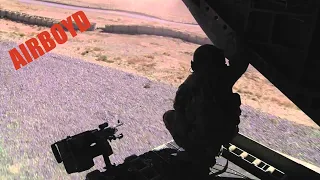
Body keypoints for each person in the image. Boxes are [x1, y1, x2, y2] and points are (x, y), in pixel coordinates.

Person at [163, 44, 249, 170]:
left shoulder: (188, 86)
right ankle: (210, 148)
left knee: (169, 116)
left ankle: (196, 153)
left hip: (201, 138)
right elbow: (241, 63)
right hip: (225, 134)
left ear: (193, 65)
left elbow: (179, 111)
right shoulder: (225, 78)